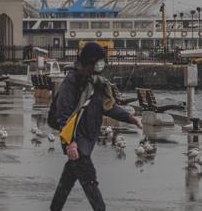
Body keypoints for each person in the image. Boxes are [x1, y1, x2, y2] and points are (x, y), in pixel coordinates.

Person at [50, 42, 142, 211]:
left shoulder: (96, 82)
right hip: (78, 142)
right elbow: (63, 115)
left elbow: (107, 107)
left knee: (67, 182)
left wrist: (130, 117)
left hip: (85, 141)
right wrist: (71, 142)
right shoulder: (72, 81)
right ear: (91, 61)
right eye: (100, 60)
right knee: (91, 184)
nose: (103, 64)